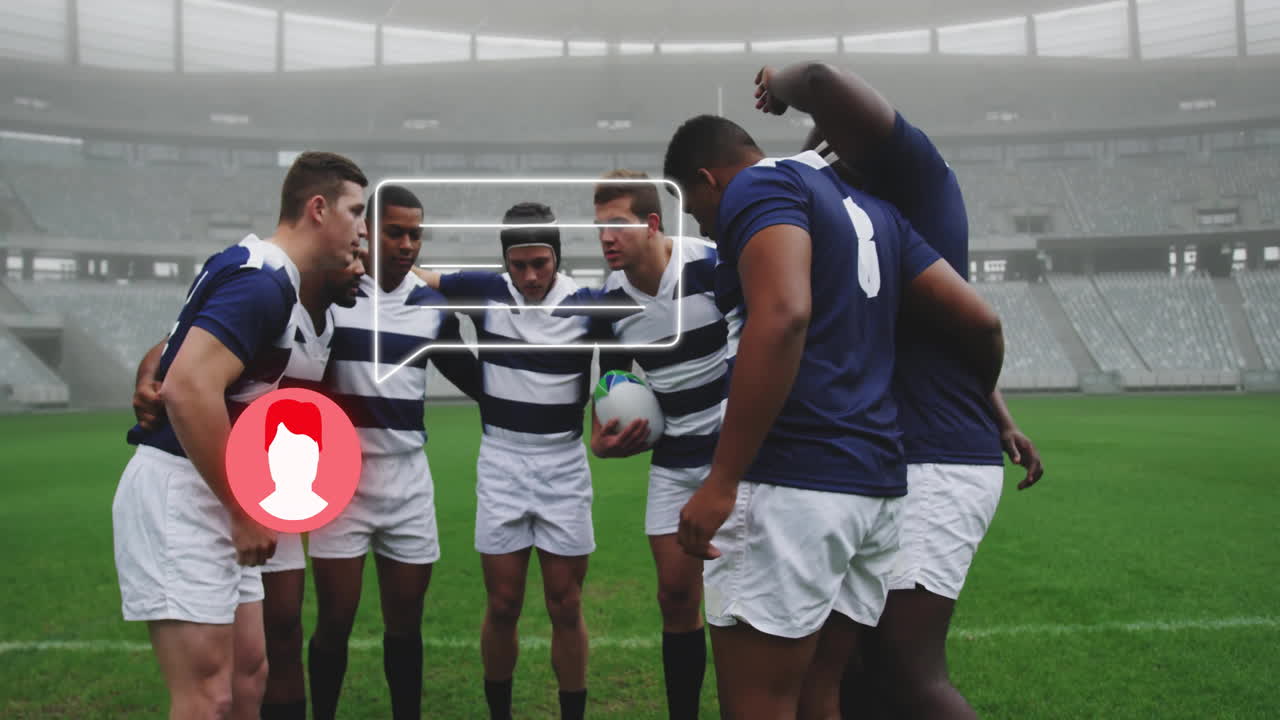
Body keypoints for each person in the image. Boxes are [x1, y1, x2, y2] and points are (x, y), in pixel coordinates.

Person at [662, 115, 1005, 720]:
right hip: (873, 489)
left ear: (708, 179)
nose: (706, 229)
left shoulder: (755, 188)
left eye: (695, 211)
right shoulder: (876, 212)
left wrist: (719, 481)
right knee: (822, 694)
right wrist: (992, 405)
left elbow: (787, 313)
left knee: (760, 704)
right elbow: (980, 319)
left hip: (792, 481)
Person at [749, 61, 1045, 720]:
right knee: (847, 667)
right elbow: (922, 336)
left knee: (904, 669)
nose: (819, 172)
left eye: (827, 154)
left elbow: (822, 78)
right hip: (883, 462)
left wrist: (782, 83)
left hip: (932, 459)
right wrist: (998, 412)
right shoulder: (859, 227)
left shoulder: (917, 180)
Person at [112, 151, 367, 719]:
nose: (363, 231)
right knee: (208, 696)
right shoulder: (264, 279)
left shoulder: (266, 273)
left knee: (251, 675)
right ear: (318, 209)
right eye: (356, 212)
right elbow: (187, 387)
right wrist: (242, 509)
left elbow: (181, 356)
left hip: (215, 488)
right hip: (184, 490)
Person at [414, 202, 607, 720]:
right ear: (505, 261)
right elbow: (416, 274)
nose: (530, 276)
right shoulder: (486, 289)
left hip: (564, 464)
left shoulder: (588, 303)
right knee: (503, 604)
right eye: (519, 265)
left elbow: (619, 357)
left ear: (557, 257)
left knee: (565, 604)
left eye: (540, 263)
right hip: (501, 461)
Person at [306, 184, 481, 720]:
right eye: (395, 232)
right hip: (341, 482)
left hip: (408, 481)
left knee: (405, 623)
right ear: (368, 231)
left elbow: (481, 380)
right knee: (335, 620)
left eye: (415, 234)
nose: (407, 244)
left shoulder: (431, 306)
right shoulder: (334, 296)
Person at [586, 170, 726, 719]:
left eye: (617, 225)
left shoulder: (713, 264)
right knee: (675, 597)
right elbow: (613, 391)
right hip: (675, 465)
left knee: (744, 598)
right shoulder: (611, 307)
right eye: (599, 228)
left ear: (651, 223)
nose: (606, 238)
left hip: (737, 460)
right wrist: (605, 442)